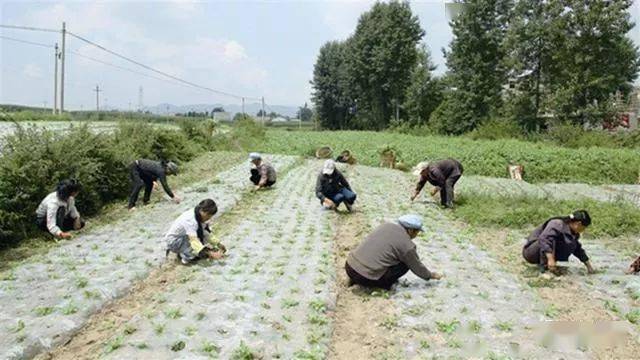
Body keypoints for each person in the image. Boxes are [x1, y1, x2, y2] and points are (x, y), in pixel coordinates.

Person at [345, 214, 443, 290]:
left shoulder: (385, 225)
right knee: (405, 264)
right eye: (417, 232)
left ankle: (354, 278)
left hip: (349, 266)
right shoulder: (407, 245)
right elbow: (417, 267)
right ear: (410, 230)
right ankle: (385, 285)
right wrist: (431, 275)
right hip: (365, 278)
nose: (417, 235)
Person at [522, 210, 596, 275]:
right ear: (578, 224)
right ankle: (543, 270)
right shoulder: (557, 224)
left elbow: (577, 249)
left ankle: (548, 267)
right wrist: (550, 259)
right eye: (584, 227)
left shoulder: (573, 233)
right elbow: (545, 239)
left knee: (572, 244)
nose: (583, 230)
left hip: (542, 253)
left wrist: (588, 266)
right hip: (530, 252)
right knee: (551, 239)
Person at [165, 199, 227, 265]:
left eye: (210, 216)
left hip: (183, 236)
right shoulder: (190, 220)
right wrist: (210, 253)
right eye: (208, 215)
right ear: (202, 211)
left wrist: (218, 243)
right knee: (196, 248)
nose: (209, 218)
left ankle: (184, 251)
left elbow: (205, 232)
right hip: (174, 241)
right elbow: (194, 241)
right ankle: (185, 259)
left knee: (201, 241)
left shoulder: (197, 213)